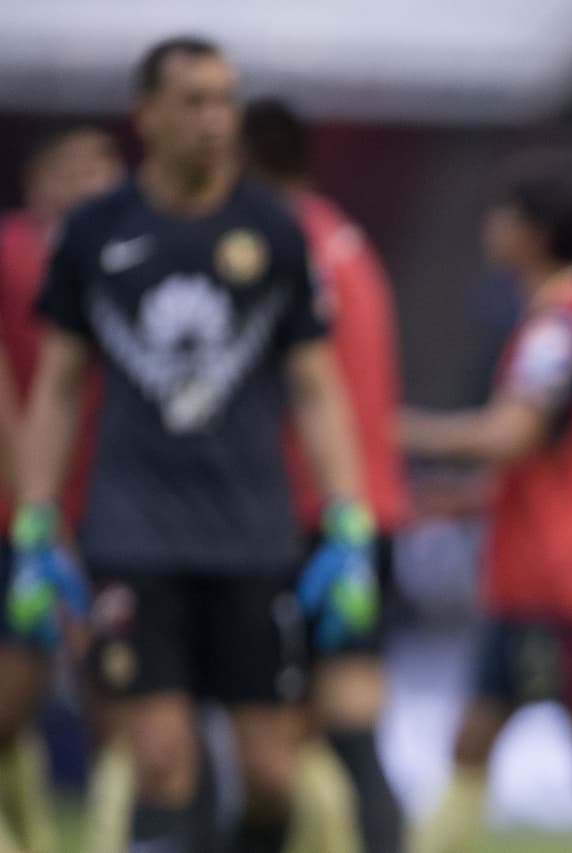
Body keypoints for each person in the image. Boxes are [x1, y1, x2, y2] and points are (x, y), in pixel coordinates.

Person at [8, 36, 374, 853]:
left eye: (225, 100)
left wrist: (347, 520)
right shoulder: (92, 235)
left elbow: (316, 386)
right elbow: (58, 386)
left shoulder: (273, 232)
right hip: (133, 536)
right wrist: (36, 521)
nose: (215, 119)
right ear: (147, 115)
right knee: (162, 759)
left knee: (272, 776)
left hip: (253, 536)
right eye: (195, 101)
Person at [400, 151, 572, 853]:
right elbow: (553, 456)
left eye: (504, 214)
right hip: (556, 568)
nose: (490, 226)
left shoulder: (557, 327)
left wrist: (391, 426)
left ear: (535, 230)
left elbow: (511, 433)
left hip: (556, 576)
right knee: (479, 739)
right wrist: (455, 499)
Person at [243, 96, 408, 853]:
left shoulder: (268, 245)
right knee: (346, 731)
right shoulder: (346, 239)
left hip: (299, 513)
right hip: (361, 518)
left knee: (262, 738)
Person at [0, 125, 123, 853]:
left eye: (101, 167)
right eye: (71, 169)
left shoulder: (133, 255)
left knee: (121, 703)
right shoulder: (13, 254)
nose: (88, 183)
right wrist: (39, 512)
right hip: (23, 518)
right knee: (15, 699)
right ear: (36, 182)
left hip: (115, 515)